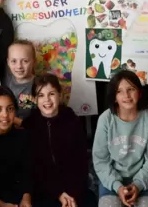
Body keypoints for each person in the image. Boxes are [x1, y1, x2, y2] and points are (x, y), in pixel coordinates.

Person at [93, 70, 148, 207]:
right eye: (119, 91)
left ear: (139, 93)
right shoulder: (106, 119)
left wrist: (137, 185)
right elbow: (100, 160)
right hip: (111, 179)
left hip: (143, 179)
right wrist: (118, 187)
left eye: (131, 89)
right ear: (114, 97)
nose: (126, 95)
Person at [22, 73, 91, 207]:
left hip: (74, 189)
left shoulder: (73, 121)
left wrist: (71, 193)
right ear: (35, 99)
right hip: (44, 190)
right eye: (41, 95)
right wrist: (58, 193)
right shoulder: (29, 125)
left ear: (60, 95)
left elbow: (81, 161)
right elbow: (34, 168)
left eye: (51, 94)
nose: (47, 100)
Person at [5, 40, 37, 123]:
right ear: (8, 62)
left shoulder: (39, 85)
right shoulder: (5, 78)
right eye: (14, 61)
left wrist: (35, 102)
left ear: (34, 62)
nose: (19, 66)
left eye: (25, 61)